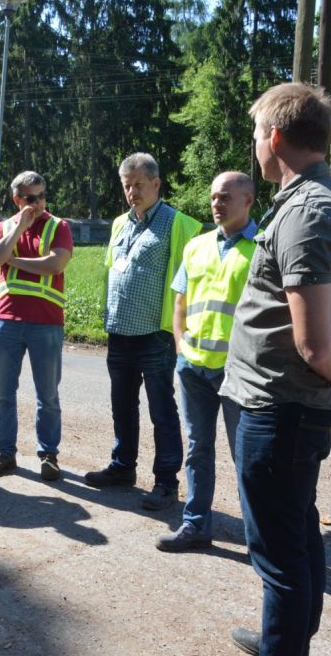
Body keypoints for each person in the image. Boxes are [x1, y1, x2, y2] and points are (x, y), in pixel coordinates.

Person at [219, 83, 331, 656]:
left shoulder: (309, 213)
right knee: (297, 531)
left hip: (277, 410)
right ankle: (280, 637)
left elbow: (314, 343)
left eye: (257, 134)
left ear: (277, 137)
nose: (254, 145)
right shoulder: (310, 203)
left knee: (278, 554)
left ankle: (282, 643)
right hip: (280, 407)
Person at [84, 152, 202, 512]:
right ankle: (123, 467)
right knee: (122, 405)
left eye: (138, 184)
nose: (132, 191)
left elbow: (186, 284)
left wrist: (178, 331)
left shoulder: (176, 224)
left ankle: (166, 481)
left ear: (156, 184)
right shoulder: (121, 223)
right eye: (127, 185)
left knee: (161, 409)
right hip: (119, 330)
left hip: (156, 333)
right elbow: (112, 271)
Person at [155, 171, 257, 552]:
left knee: (246, 456)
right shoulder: (196, 246)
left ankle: (258, 537)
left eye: (226, 197)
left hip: (239, 374)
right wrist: (181, 348)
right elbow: (179, 302)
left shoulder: (262, 248)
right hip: (194, 367)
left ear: (248, 200)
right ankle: (196, 525)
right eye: (214, 196)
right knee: (198, 448)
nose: (217, 203)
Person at [0, 171, 74, 481]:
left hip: (46, 323)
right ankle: (5, 453)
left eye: (41, 196)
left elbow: (55, 264)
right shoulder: (4, 227)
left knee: (47, 395)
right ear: (17, 199)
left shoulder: (58, 226)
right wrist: (19, 227)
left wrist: (15, 261)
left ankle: (48, 455)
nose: (37, 203)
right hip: (6, 320)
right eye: (30, 198)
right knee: (2, 394)